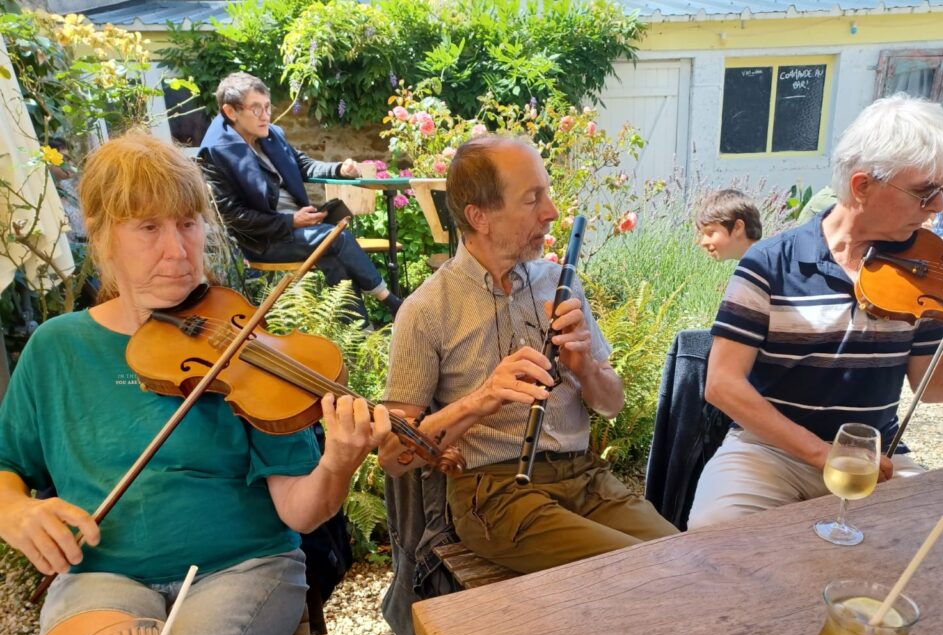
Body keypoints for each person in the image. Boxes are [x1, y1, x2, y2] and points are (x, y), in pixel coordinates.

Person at [0, 132, 390, 635]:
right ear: (104, 234)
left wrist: (337, 461)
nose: (178, 252)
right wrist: (14, 509)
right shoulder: (57, 349)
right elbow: (8, 464)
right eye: (149, 228)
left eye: (187, 224)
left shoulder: (246, 343)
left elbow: (300, 512)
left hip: (241, 568)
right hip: (103, 575)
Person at [689, 94, 943, 529]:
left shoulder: (929, 271)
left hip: (875, 456)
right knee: (715, 536)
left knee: (933, 542)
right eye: (924, 193)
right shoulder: (769, 263)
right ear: (862, 185)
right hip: (770, 451)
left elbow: (934, 382)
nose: (938, 207)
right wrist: (819, 453)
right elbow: (722, 385)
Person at [378, 136, 678, 574]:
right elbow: (391, 454)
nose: (551, 212)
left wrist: (585, 368)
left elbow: (611, 404)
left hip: (584, 478)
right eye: (532, 198)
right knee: (639, 570)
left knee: (685, 557)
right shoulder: (426, 310)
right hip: (495, 492)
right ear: (480, 216)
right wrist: (483, 397)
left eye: (547, 193)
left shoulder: (559, 281)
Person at [198, 72, 401, 317]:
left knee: (333, 258)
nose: (265, 116)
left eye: (267, 107)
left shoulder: (271, 136)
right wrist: (290, 221)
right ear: (231, 112)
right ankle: (390, 301)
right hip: (265, 241)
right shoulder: (215, 153)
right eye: (256, 109)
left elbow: (303, 165)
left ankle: (359, 331)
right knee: (337, 237)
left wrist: (338, 169)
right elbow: (234, 217)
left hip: (298, 229)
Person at [695, 188, 762, 261]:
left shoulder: (757, 268)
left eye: (711, 233)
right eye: (702, 235)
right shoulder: (761, 262)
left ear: (738, 227)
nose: (703, 242)